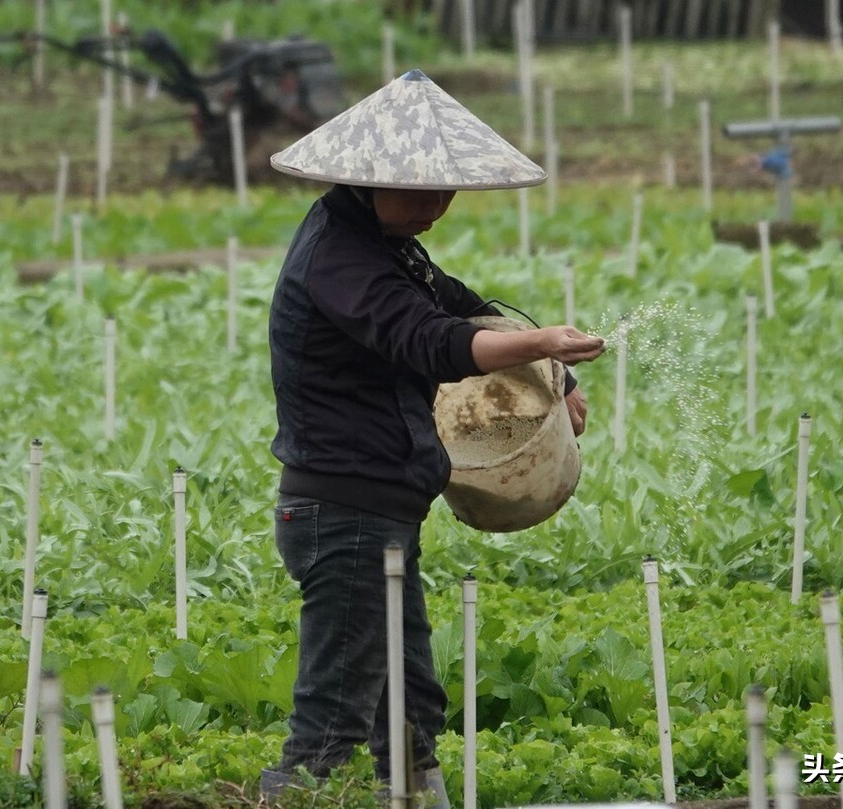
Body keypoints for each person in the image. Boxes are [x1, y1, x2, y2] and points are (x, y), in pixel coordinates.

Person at [258, 69, 606, 806]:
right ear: (366, 178)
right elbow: (433, 342)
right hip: (343, 511)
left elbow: (464, 310)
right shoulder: (342, 261)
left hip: (379, 509)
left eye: (444, 193)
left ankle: (418, 795)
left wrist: (557, 377)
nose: (434, 208)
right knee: (332, 721)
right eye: (418, 191)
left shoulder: (384, 245)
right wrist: (544, 338)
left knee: (408, 703)